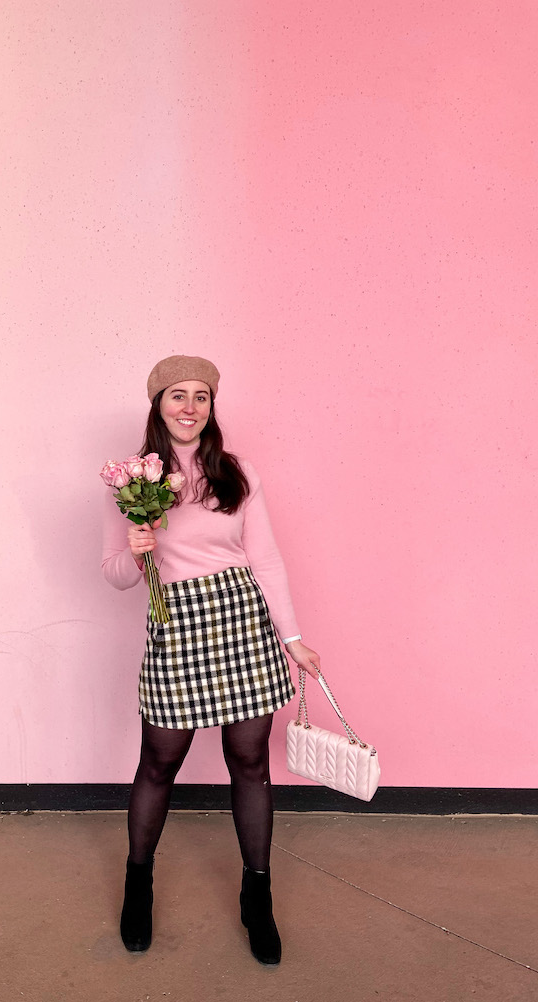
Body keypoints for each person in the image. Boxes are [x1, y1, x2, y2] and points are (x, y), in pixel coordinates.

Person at [101, 355, 320, 965]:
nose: (190, 407)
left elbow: (266, 559)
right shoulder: (128, 481)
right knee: (158, 761)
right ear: (157, 404)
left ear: (212, 406)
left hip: (243, 622)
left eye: (202, 396)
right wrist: (136, 547)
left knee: (249, 762)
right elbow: (116, 576)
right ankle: (137, 885)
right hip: (177, 626)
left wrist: (293, 636)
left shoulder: (236, 472)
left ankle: (258, 896)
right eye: (177, 395)